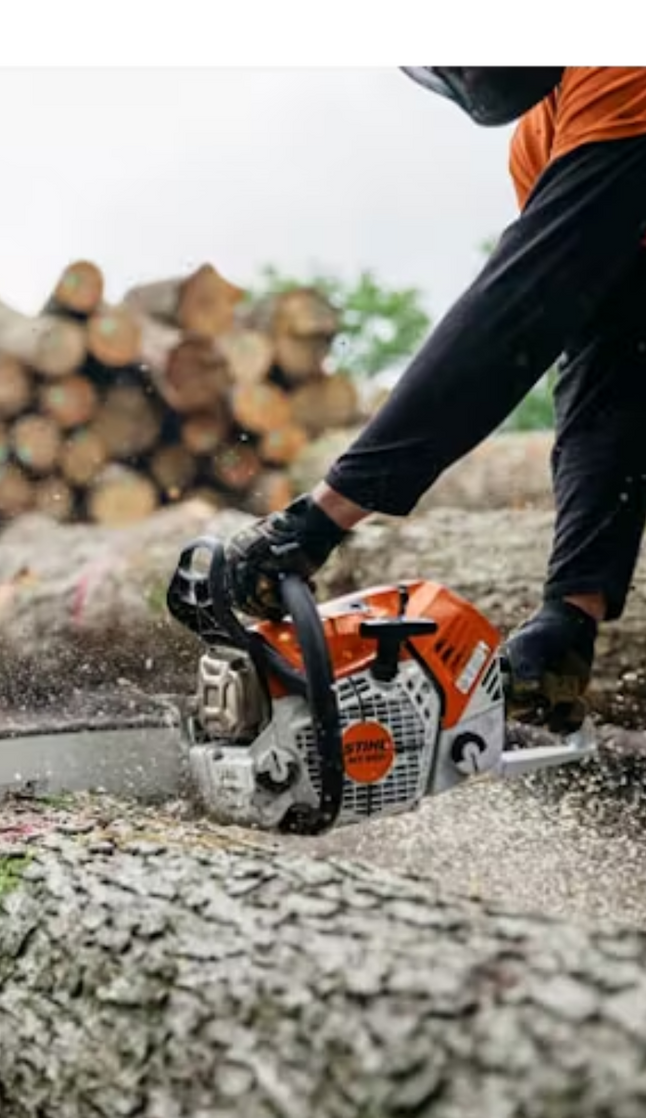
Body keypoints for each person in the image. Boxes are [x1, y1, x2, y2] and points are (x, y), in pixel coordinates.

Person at [213, 67, 646, 734]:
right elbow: (612, 362)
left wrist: (326, 513)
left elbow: (516, 315)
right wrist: (573, 606)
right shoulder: (545, 139)